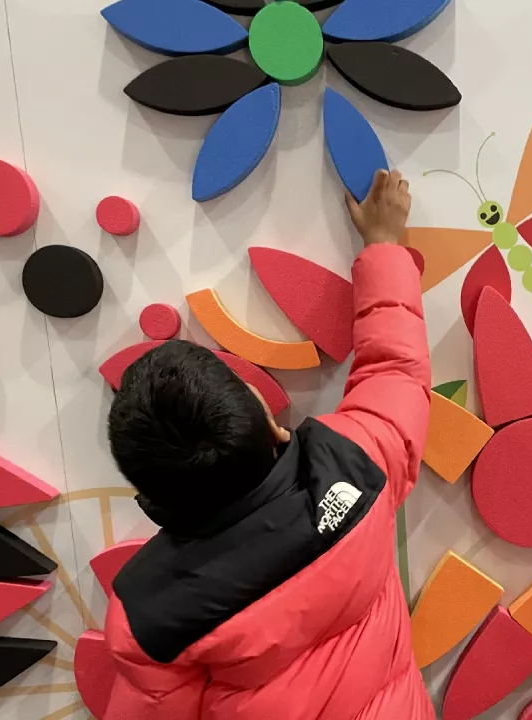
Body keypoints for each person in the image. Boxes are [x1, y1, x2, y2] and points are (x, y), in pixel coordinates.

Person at [101, 170, 435, 719]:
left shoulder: (151, 611)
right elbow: (395, 369)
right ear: (272, 423)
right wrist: (384, 246)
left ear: (153, 498)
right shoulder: (355, 463)